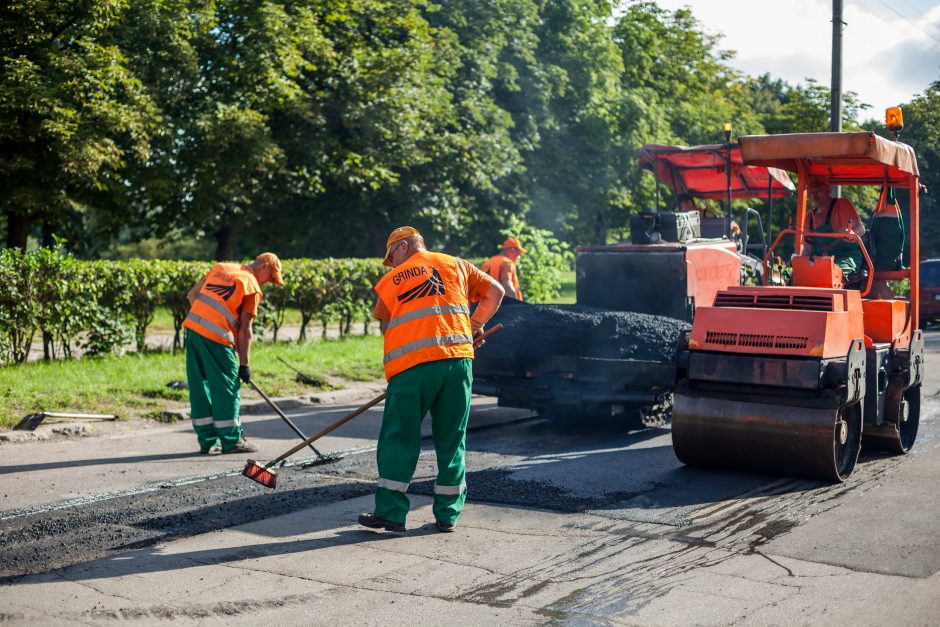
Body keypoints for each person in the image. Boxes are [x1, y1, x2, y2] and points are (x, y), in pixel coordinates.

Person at [359, 226, 504, 533]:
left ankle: (391, 512)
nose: (392, 264)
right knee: (452, 439)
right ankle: (448, 515)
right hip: (458, 362)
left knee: (399, 438)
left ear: (402, 247)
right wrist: (473, 326)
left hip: (412, 369)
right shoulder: (457, 264)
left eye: (391, 256)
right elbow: (496, 292)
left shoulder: (389, 282)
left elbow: (387, 328)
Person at [183, 253, 283, 455]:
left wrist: (209, 320)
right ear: (264, 266)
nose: (269, 283)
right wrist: (245, 365)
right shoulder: (251, 285)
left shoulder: (221, 268)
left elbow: (192, 295)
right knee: (227, 388)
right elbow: (246, 330)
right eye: (271, 277)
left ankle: (207, 441)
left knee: (200, 387)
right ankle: (231, 441)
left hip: (193, 331)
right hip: (217, 338)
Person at [802, 179, 866, 277]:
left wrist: (852, 234)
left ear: (828, 189)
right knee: (798, 276)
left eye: (818, 191)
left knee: (832, 275)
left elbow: (860, 229)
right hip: (819, 260)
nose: (814, 195)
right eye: (812, 191)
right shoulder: (809, 217)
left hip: (844, 257)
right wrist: (799, 262)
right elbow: (807, 248)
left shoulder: (841, 205)